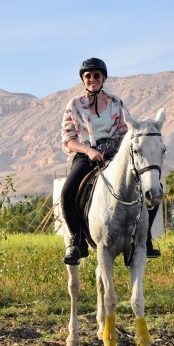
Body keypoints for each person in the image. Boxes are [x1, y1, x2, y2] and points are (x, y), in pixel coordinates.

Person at [60, 57, 160, 265]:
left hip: (115, 154)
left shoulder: (116, 102)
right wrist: (88, 150)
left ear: (103, 77)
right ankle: (75, 242)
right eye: (88, 76)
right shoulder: (74, 105)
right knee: (67, 193)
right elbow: (68, 139)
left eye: (97, 75)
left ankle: (145, 238)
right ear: (83, 80)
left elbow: (127, 131)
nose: (92, 79)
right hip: (86, 155)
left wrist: (117, 149)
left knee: (152, 186)